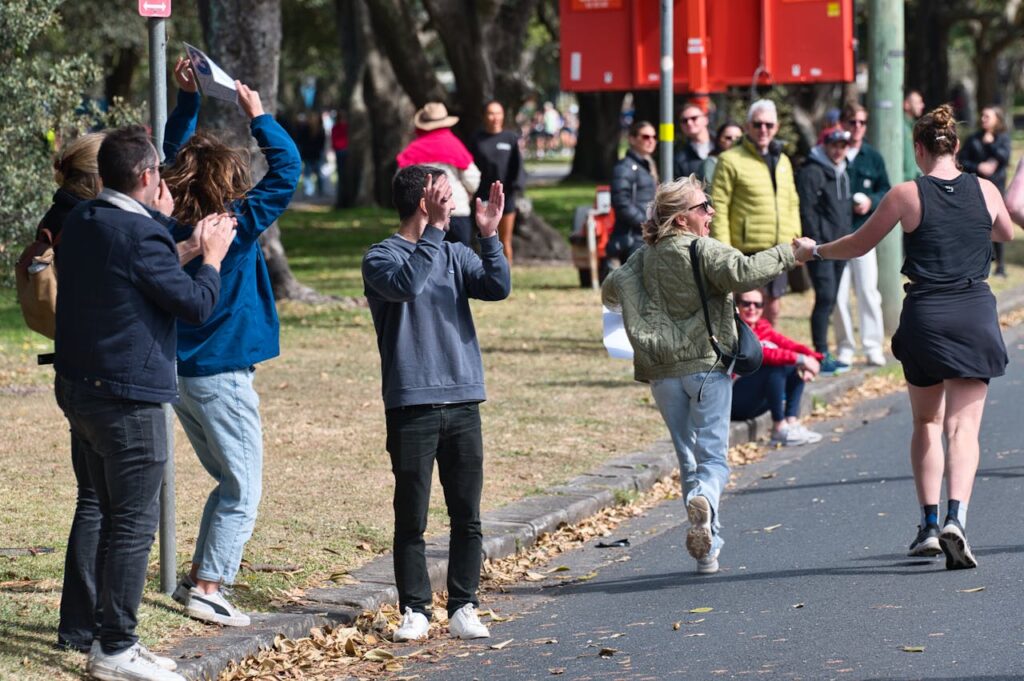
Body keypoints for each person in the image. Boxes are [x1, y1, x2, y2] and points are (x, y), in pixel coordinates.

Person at [793, 105, 1014, 569]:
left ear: (918, 148)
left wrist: (814, 251)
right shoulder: (987, 190)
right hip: (973, 311)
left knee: (927, 423)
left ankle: (929, 525)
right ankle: (958, 517)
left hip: (926, 317)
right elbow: (1006, 231)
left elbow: (857, 244)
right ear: (955, 145)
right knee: (964, 428)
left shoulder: (906, 195)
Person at [55, 125, 235, 681]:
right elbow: (196, 306)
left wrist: (180, 245)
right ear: (148, 175)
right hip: (128, 400)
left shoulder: (82, 219)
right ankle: (116, 648)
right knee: (134, 523)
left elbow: (134, 274)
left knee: (104, 512)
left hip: (81, 392)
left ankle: (99, 635)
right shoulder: (140, 236)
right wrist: (212, 257)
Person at [602, 175, 816, 575]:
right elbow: (747, 272)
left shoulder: (642, 258)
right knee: (712, 460)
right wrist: (791, 253)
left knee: (687, 456)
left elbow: (610, 290)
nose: (711, 212)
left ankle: (707, 551)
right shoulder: (703, 250)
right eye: (704, 207)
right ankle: (704, 503)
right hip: (707, 365)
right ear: (682, 219)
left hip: (663, 373)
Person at [160, 57, 301, 627]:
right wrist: (258, 116)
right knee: (243, 483)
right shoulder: (232, 224)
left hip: (178, 371)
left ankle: (200, 576)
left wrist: (188, 102)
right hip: (220, 373)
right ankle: (210, 586)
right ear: (229, 182)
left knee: (228, 477)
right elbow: (287, 170)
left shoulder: (168, 225)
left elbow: (173, 156)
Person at [362, 167, 511, 641]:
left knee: (467, 513)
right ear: (425, 202)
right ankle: (416, 609)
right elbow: (407, 284)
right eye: (446, 194)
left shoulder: (453, 253)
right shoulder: (380, 257)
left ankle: (464, 605)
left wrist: (489, 238)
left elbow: (497, 287)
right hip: (411, 403)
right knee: (413, 516)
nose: (456, 202)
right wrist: (435, 231)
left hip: (464, 398)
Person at [40, 132, 106, 654]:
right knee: (104, 504)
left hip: (70, 368)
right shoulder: (88, 220)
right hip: (97, 372)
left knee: (92, 499)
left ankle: (79, 623)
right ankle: (87, 624)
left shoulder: (58, 213)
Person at [711, 99, 801, 325]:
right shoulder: (730, 159)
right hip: (747, 249)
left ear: (777, 128)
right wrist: (723, 249)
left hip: (780, 247)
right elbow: (719, 206)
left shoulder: (783, 161)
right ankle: (747, 357)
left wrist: (796, 243)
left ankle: (769, 357)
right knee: (748, 309)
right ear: (747, 126)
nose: (763, 130)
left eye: (769, 125)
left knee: (773, 308)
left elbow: (792, 202)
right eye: (758, 124)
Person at [833, 102, 889, 367]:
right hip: (837, 235)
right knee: (839, 294)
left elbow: (885, 190)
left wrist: (870, 201)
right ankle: (845, 346)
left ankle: (872, 346)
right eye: (852, 122)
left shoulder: (872, 157)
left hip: (865, 234)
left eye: (862, 123)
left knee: (868, 291)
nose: (857, 127)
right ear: (843, 124)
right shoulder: (834, 152)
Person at [731, 288, 823, 446]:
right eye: (746, 304)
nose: (752, 308)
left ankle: (791, 422)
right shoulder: (734, 331)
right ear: (737, 306)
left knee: (792, 368)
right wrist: (801, 359)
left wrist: (814, 358)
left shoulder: (762, 327)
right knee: (776, 367)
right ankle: (779, 428)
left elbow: (788, 344)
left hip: (757, 401)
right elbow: (762, 354)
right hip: (735, 400)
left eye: (758, 304)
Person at [797, 128, 854, 375]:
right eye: (834, 144)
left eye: (843, 144)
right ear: (825, 144)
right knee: (825, 297)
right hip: (821, 248)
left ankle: (824, 353)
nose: (839, 149)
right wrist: (815, 246)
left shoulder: (842, 170)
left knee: (831, 300)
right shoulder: (812, 170)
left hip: (840, 245)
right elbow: (807, 211)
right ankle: (820, 354)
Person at [397, 102, 481, 246]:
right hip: (456, 211)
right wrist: (468, 193)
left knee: (427, 260)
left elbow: (401, 181)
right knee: (459, 262)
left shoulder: (413, 150)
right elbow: (472, 179)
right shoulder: (455, 146)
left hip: (423, 216)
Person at [469, 100, 526, 264]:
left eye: (498, 113)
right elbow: (470, 167)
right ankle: (485, 274)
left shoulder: (510, 138)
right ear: (484, 116)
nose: (495, 117)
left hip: (506, 196)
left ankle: (506, 275)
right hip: (483, 195)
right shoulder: (477, 139)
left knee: (504, 240)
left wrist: (515, 188)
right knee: (486, 238)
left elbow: (518, 167)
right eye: (491, 113)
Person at [959, 105, 1011, 276]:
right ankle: (983, 261)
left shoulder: (1002, 138)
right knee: (979, 225)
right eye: (982, 115)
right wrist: (979, 166)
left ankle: (1001, 265)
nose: (983, 119)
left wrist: (991, 145)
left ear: (997, 119)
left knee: (997, 223)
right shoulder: (973, 138)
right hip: (975, 187)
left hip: (996, 187)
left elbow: (1004, 157)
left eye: (987, 116)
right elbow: (962, 161)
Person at [609, 120, 658, 263]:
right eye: (645, 137)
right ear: (632, 139)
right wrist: (645, 222)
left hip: (645, 235)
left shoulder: (647, 166)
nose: (651, 141)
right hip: (632, 237)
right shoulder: (625, 167)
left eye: (654, 137)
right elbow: (621, 202)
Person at [673, 103, 713, 179]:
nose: (689, 123)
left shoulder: (723, 143)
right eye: (684, 121)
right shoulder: (679, 158)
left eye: (694, 118)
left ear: (705, 119)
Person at [903, 90, 925, 181]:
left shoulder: (914, 126)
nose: (922, 105)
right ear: (906, 104)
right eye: (918, 102)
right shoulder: (899, 126)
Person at [331, 109, 349, 208]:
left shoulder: (338, 127)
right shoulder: (344, 127)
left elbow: (334, 141)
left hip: (340, 151)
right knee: (342, 177)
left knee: (342, 176)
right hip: (342, 151)